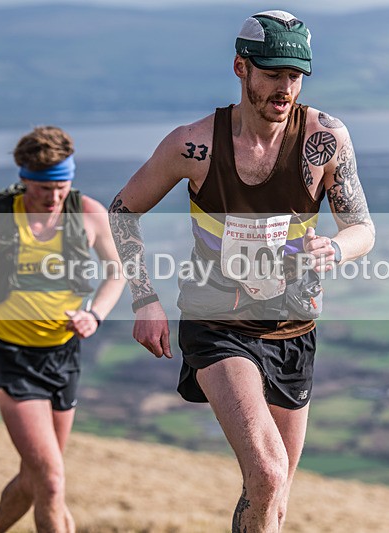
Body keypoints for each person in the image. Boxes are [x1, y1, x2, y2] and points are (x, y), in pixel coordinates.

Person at [109, 10, 375, 532]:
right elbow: (122, 210)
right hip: (217, 327)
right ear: (240, 67)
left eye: (295, 76)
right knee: (269, 473)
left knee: (273, 496)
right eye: (273, 73)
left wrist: (336, 248)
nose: (285, 88)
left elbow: (362, 228)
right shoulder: (194, 145)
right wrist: (144, 299)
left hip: (294, 329)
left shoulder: (326, 138)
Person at [0, 126, 125, 533]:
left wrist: (95, 314)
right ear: (23, 180)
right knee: (52, 482)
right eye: (42, 188)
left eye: (61, 186)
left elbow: (117, 273)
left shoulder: (89, 214)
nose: (53, 197)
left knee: (36, 475)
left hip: (63, 356)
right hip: (9, 356)